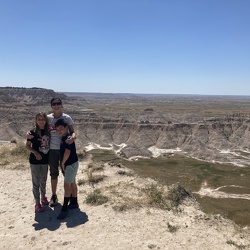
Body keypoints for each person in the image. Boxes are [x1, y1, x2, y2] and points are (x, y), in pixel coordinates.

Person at [27, 97, 76, 207]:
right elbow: (39, 127)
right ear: (51, 106)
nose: (56, 105)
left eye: (58, 103)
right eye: (54, 103)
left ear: (61, 105)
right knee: (54, 174)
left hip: (64, 149)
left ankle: (73, 197)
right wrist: (28, 133)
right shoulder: (48, 118)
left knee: (68, 174)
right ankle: (54, 196)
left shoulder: (67, 118)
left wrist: (73, 138)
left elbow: (73, 132)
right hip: (52, 150)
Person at [54, 118, 79, 220]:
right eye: (57, 130)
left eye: (61, 129)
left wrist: (62, 163)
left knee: (67, 185)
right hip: (73, 163)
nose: (59, 131)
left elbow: (67, 152)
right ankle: (74, 202)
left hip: (70, 164)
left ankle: (65, 208)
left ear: (66, 128)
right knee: (72, 182)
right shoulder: (65, 137)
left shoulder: (67, 138)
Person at [26, 112, 50, 213]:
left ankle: (43, 197)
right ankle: (37, 203)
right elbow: (27, 146)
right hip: (34, 161)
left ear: (46, 120)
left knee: (43, 180)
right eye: (39, 119)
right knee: (36, 182)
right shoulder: (32, 133)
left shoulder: (49, 131)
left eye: (43, 119)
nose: (41, 121)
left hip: (45, 160)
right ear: (36, 120)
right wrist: (35, 152)